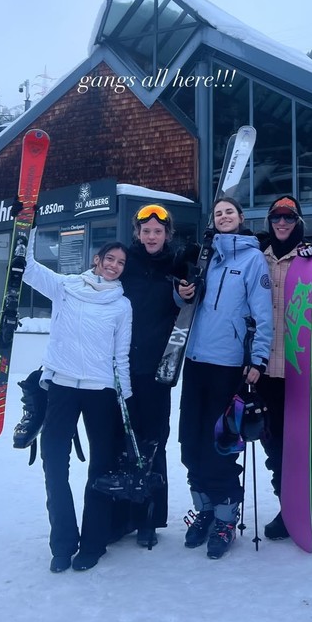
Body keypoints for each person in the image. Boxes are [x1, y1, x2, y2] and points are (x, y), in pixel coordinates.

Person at [23, 236, 132, 573]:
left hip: (100, 392)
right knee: (54, 462)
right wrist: (25, 223)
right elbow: (26, 268)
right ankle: (63, 544)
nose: (114, 266)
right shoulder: (66, 287)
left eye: (120, 263)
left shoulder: (122, 305)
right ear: (97, 259)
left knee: (100, 468)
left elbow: (121, 356)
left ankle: (93, 543)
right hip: (62, 387)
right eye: (109, 259)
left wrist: (124, 399)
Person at [179, 196, 273, 559]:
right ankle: (203, 508)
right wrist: (181, 290)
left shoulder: (253, 259)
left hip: (228, 363)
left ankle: (224, 517)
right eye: (218, 213)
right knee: (190, 441)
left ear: (240, 218)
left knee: (220, 444)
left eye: (228, 212)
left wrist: (258, 358)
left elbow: (263, 313)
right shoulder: (206, 256)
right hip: (195, 359)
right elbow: (187, 301)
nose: (223, 217)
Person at [256, 195, 312, 547]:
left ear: (298, 222)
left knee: (311, 445)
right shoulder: (257, 260)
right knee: (276, 449)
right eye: (276, 218)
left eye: (289, 218)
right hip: (266, 371)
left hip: (302, 370)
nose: (282, 224)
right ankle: (287, 508)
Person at [117, 203, 193, 549]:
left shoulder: (177, 265)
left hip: (158, 369)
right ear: (138, 233)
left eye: (157, 231)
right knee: (121, 442)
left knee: (153, 444)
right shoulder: (123, 262)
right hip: (121, 367)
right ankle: (120, 517)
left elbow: (189, 298)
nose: (151, 236)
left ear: (167, 234)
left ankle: (149, 519)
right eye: (145, 231)